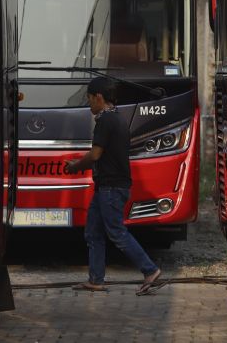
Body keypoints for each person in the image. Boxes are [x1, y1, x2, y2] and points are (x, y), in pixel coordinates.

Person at [65, 77, 161, 294]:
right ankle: (96, 280)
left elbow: (96, 154)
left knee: (116, 232)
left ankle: (150, 270)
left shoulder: (106, 121)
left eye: (89, 99)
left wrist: (76, 166)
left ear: (99, 97)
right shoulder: (117, 119)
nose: (89, 104)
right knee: (93, 233)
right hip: (106, 187)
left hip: (111, 188)